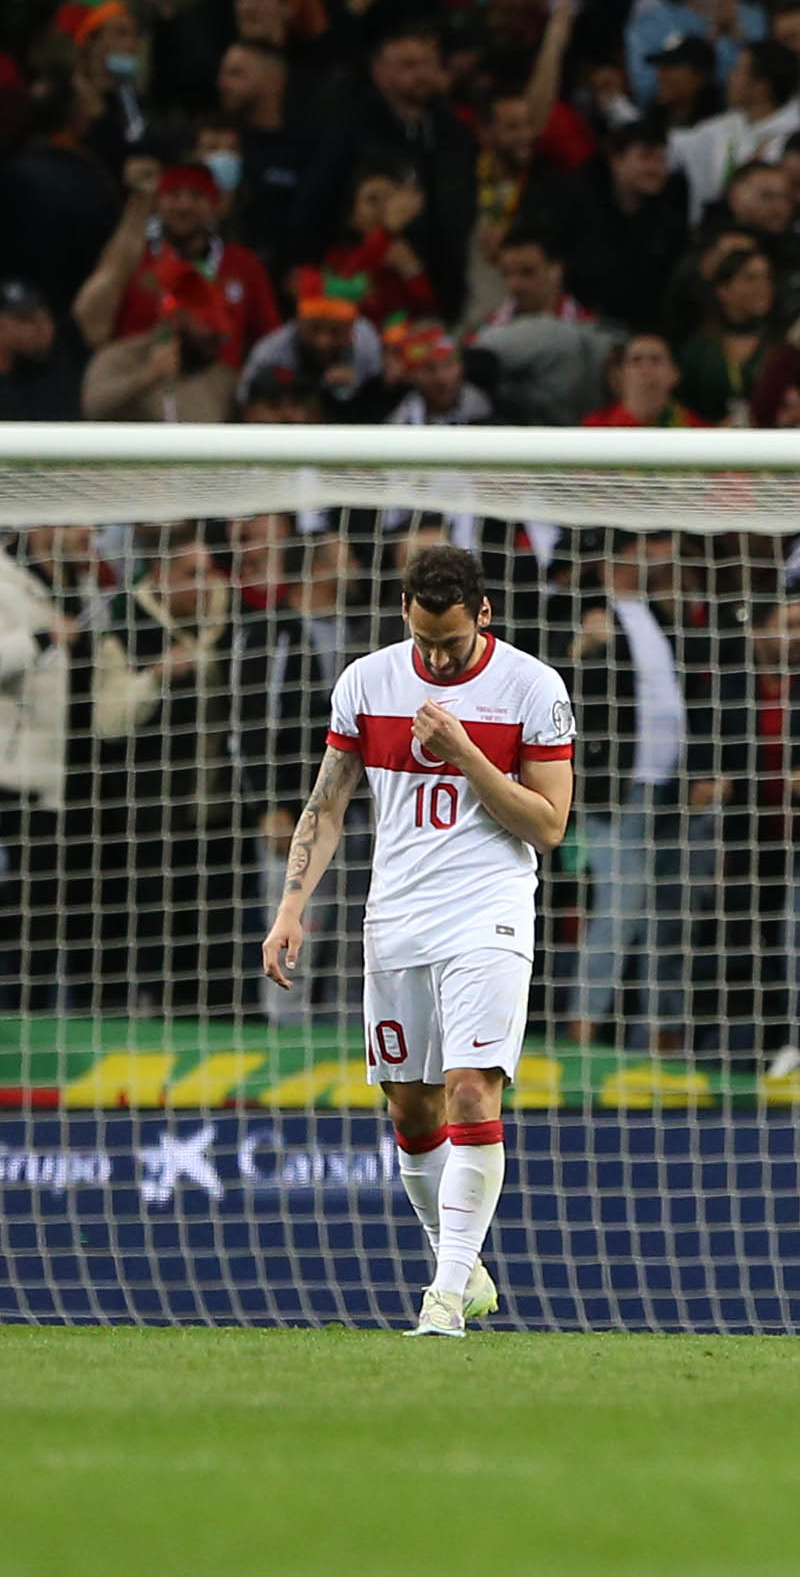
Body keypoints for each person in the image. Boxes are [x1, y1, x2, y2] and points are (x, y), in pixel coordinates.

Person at [257, 544, 576, 1337]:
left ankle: (442, 1300)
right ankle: (460, 1267)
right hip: (396, 915)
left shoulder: (532, 687)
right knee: (411, 1107)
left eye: (454, 642)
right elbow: (328, 806)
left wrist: (466, 749)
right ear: (404, 609)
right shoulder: (366, 682)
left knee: (472, 1091)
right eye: (425, 639)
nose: (437, 656)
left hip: (489, 911)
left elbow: (549, 824)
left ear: (485, 615)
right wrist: (291, 906)